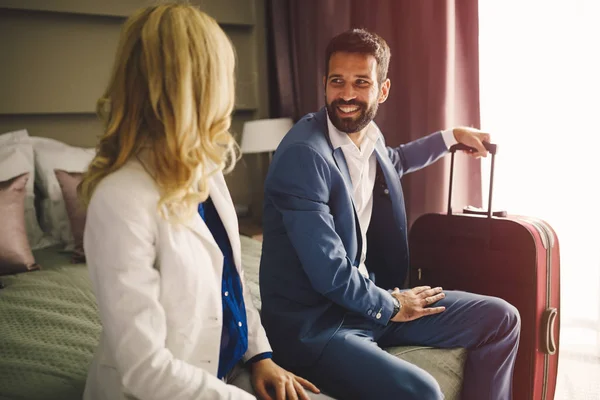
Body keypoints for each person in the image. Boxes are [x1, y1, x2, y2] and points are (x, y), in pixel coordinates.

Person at [259, 28, 521, 400]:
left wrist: (450, 138)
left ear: (382, 90)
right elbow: (330, 272)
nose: (347, 94)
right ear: (324, 84)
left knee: (501, 319)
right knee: (423, 391)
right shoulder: (304, 155)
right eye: (337, 81)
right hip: (319, 325)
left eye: (361, 83)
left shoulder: (366, 133)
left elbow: (393, 161)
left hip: (368, 300)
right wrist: (394, 305)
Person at [78, 4, 322, 400]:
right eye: (225, 75)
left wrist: (259, 354)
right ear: (199, 86)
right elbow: (144, 371)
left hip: (226, 373)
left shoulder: (205, 169)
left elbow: (233, 282)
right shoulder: (119, 200)